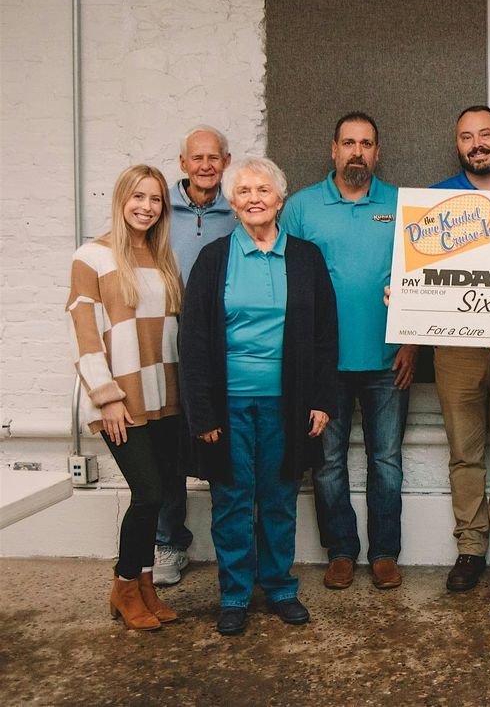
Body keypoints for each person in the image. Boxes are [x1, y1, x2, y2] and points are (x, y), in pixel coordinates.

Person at [180, 156, 338, 636]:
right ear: (232, 202)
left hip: (286, 405)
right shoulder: (214, 260)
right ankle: (234, 595)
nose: (254, 199)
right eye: (244, 191)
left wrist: (321, 399)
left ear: (280, 199)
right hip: (228, 405)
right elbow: (194, 340)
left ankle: (280, 589)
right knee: (231, 501)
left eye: (263, 190)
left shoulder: (306, 258)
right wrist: (202, 411)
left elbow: (325, 336)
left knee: (278, 498)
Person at [280, 112, 414, 591]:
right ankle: (340, 552)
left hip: (389, 360)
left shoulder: (403, 205)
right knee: (328, 464)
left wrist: (411, 343)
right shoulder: (301, 208)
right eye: (349, 143)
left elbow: (422, 279)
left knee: (387, 462)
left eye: (367, 144)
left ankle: (384, 554)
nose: (358, 152)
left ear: (378, 152)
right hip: (324, 365)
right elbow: (287, 281)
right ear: (333, 150)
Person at [67, 164, 184, 631]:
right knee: (148, 492)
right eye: (138, 197)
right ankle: (124, 585)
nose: (146, 207)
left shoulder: (163, 258)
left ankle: (146, 585)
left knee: (163, 492)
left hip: (164, 395)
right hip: (121, 398)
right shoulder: (91, 257)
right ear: (121, 199)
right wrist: (106, 396)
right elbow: (84, 333)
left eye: (155, 199)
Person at [430, 105, 490, 592]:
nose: (477, 144)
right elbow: (416, 267)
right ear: (457, 144)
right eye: (467, 137)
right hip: (456, 346)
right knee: (464, 451)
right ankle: (470, 545)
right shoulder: (434, 201)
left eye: (485, 134)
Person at [154, 124, 238, 588]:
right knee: (167, 444)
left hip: (222, 349)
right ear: (183, 163)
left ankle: (239, 548)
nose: (205, 166)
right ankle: (169, 540)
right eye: (197, 158)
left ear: (227, 161)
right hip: (167, 343)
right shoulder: (159, 209)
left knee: (224, 440)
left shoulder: (239, 211)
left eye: (214, 157)